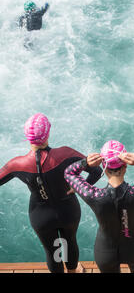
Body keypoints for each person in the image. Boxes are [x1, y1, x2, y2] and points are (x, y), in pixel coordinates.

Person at [0, 113, 102, 273]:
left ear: (28, 137)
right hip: (68, 210)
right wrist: (79, 187)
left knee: (52, 250)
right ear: (47, 133)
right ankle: (72, 271)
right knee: (69, 241)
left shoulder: (16, 164)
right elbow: (96, 171)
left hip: (41, 216)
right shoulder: (65, 154)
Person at [64, 140, 134, 273]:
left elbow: (69, 173)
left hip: (105, 251)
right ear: (125, 165)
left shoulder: (93, 195)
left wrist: (85, 162)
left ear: (104, 167)